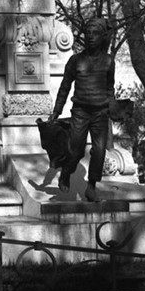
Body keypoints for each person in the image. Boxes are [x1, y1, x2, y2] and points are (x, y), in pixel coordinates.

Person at [51, 18, 115, 202]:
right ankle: (66, 172)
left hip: (100, 112)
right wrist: (57, 111)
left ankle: (92, 186)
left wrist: (113, 108)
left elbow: (109, 88)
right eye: (88, 34)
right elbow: (65, 87)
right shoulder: (75, 60)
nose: (91, 37)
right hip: (80, 111)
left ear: (102, 37)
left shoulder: (108, 61)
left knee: (99, 150)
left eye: (95, 34)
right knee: (75, 150)